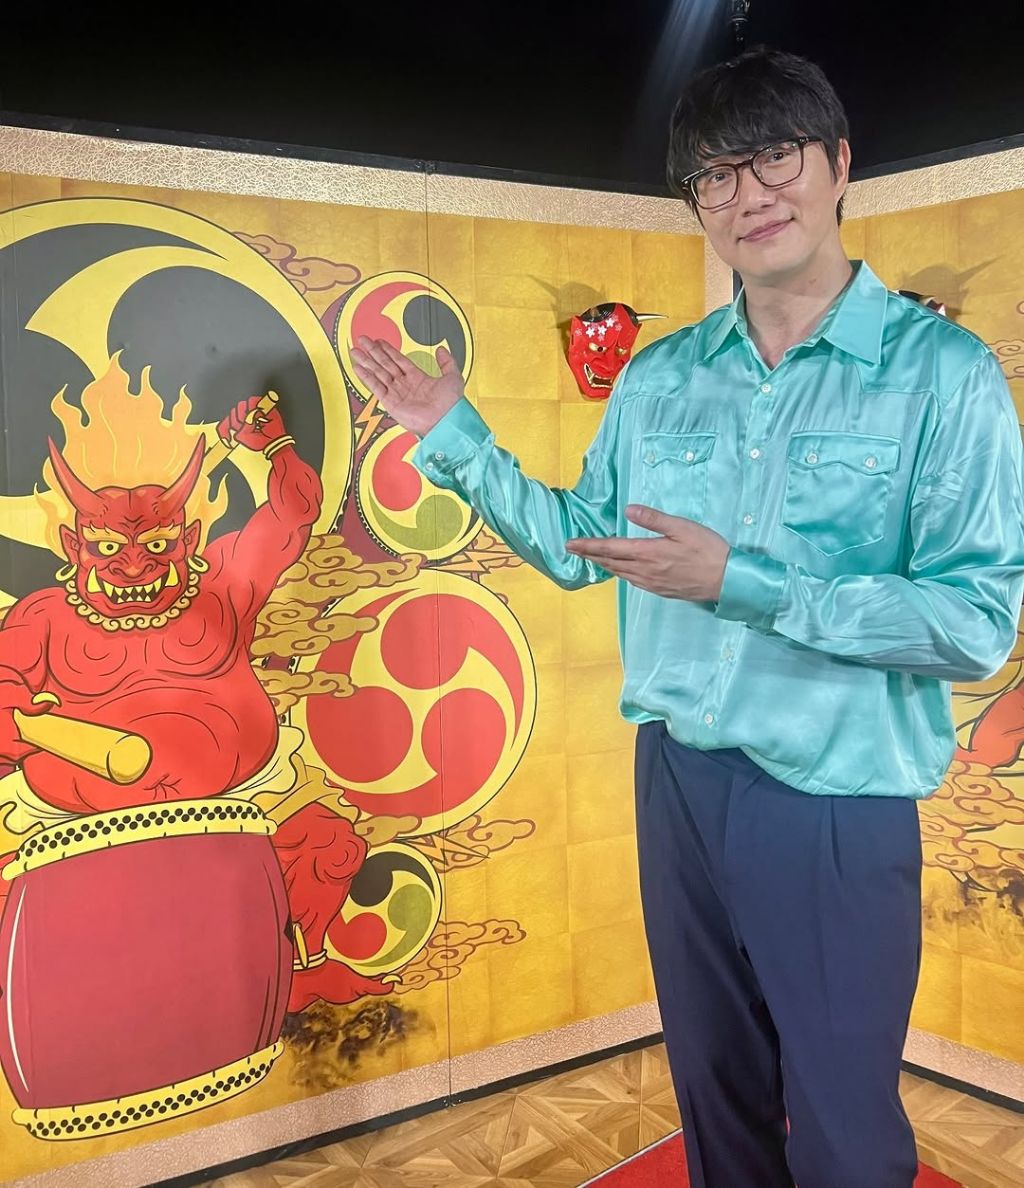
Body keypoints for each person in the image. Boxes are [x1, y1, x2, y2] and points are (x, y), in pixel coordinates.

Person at [350, 47, 1024, 1188]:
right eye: (714, 174)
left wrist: (742, 582)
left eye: (773, 157)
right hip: (674, 776)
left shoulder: (942, 375)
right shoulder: (660, 376)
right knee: (714, 1093)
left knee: (845, 1125)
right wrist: (455, 434)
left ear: (838, 163)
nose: (746, 193)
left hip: (834, 796)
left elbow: (972, 624)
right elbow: (582, 545)